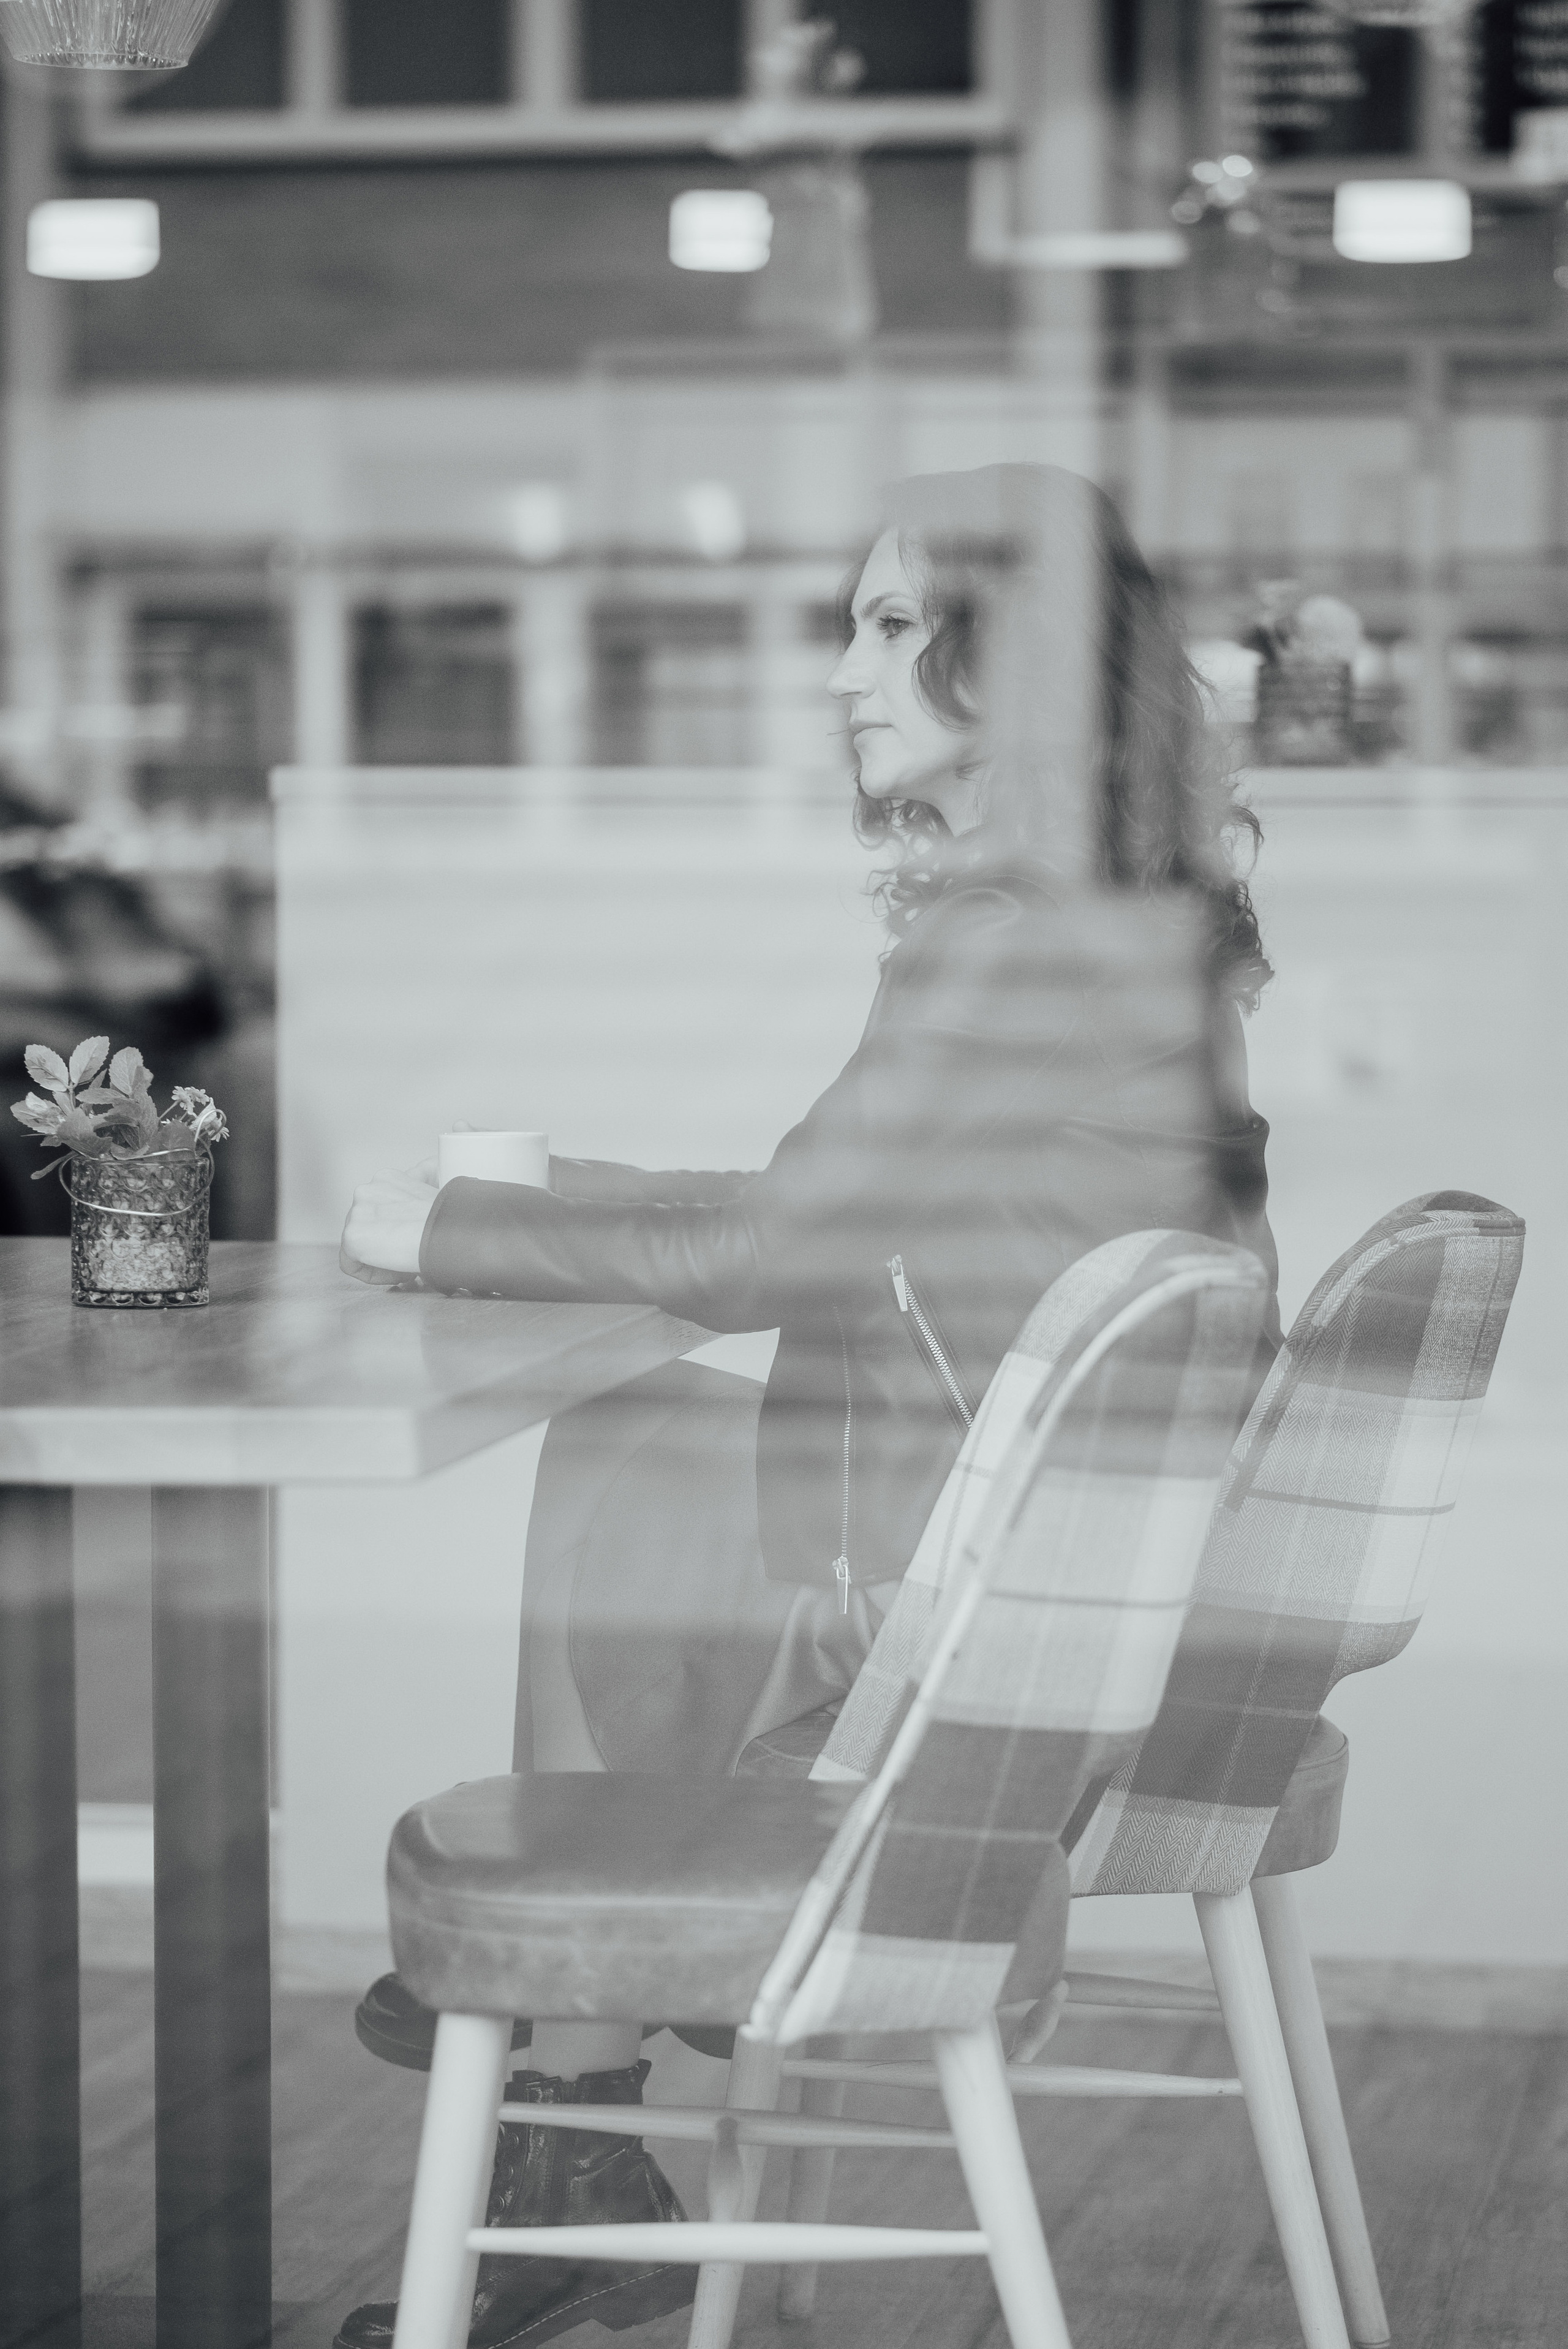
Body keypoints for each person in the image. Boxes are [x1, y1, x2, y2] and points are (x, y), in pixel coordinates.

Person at [335, 463, 1281, 2349]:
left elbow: (783, 1246)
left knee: (629, 1435)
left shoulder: (1025, 934)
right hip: (1082, 1592)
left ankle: (570, 2085)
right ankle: (573, 2104)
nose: (844, 673)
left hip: (1000, 1646)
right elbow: (841, 1208)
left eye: (889, 625)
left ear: (1004, 670)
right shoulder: (1100, 912)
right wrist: (569, 1194)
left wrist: (440, 1221)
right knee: (641, 1430)